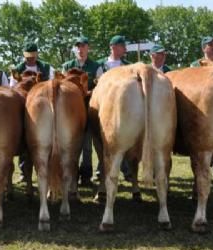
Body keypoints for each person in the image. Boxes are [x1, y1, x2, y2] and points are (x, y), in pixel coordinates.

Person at [62, 36, 103, 187]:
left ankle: (86, 176)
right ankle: (71, 174)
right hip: (70, 112)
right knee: (70, 145)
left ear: (88, 48)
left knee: (87, 145)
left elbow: (100, 87)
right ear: (75, 49)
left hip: (88, 109)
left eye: (83, 46)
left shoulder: (96, 66)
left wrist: (89, 92)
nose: (80, 49)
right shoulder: (66, 66)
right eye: (78, 46)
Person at [13, 42, 55, 183]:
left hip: (41, 108)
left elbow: (52, 85)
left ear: (37, 54)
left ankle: (46, 170)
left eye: (32, 56)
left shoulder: (47, 68)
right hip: (21, 108)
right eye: (27, 56)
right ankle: (24, 172)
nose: (30, 59)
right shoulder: (17, 69)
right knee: (22, 139)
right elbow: (13, 88)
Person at [97, 35, 133, 181]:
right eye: (122, 46)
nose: (125, 49)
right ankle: (102, 169)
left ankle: (127, 170)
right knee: (104, 141)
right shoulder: (101, 65)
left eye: (124, 46)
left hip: (125, 108)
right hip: (105, 108)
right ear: (113, 47)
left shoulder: (128, 66)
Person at [190, 36, 213, 178]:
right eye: (210, 44)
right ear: (204, 47)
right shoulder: (195, 65)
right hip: (202, 103)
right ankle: (202, 169)